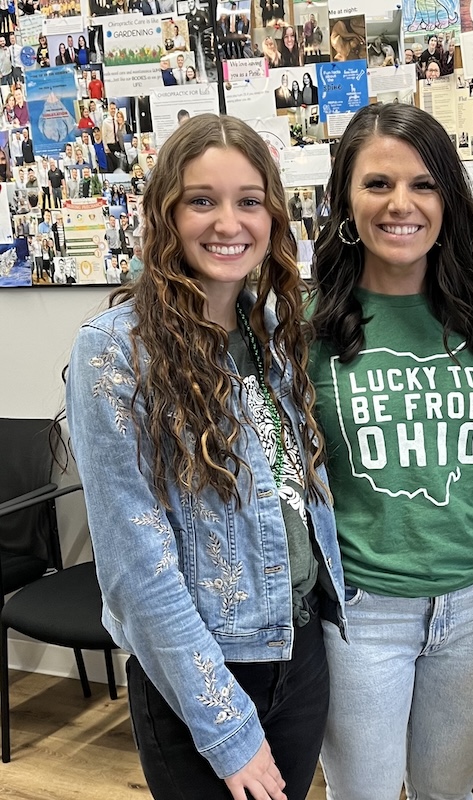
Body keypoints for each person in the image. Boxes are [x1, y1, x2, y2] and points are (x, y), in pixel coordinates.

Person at [65, 113, 346, 800]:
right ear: (167, 213)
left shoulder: (276, 327)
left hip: (299, 646)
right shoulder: (115, 351)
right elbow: (136, 568)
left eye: (249, 201)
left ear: (273, 215)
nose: (229, 222)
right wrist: (227, 729)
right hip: (204, 666)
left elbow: (295, 488)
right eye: (202, 200)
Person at [309, 102, 473, 800]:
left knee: (446, 793)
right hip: (362, 612)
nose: (401, 204)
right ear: (345, 198)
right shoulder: (305, 331)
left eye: (424, 185)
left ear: (449, 201)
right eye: (377, 184)